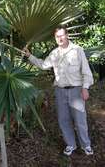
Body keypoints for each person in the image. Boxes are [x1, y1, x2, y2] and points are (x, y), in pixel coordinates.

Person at [23, 25, 94, 156]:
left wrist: (85, 88)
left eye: (62, 35)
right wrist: (30, 56)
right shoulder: (54, 53)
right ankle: (71, 144)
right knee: (63, 120)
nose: (60, 38)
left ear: (67, 35)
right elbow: (44, 65)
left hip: (76, 91)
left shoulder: (77, 50)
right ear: (55, 39)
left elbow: (86, 71)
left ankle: (86, 145)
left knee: (80, 120)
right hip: (60, 91)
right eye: (57, 36)